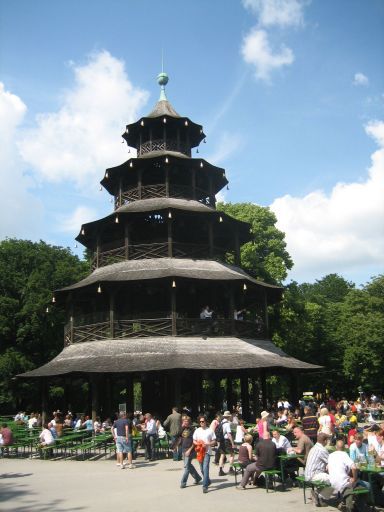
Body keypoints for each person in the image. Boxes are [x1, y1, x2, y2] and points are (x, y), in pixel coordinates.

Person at [328, 439, 369, 512]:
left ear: (336, 447)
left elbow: (327, 467)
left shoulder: (330, 455)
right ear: (344, 447)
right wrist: (354, 478)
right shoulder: (344, 454)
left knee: (353, 483)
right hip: (342, 483)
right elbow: (354, 467)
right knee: (367, 485)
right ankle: (361, 507)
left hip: (332, 481)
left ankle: (346, 502)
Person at [193, 415, 216, 494]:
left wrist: (208, 444)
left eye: (203, 421)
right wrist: (198, 443)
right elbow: (194, 440)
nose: (201, 423)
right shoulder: (197, 430)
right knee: (202, 469)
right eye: (200, 421)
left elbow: (214, 441)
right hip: (199, 452)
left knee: (205, 468)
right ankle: (208, 480)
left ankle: (205, 486)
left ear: (206, 421)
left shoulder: (210, 430)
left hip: (207, 452)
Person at [180, 416, 202, 488]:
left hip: (190, 450)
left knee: (186, 466)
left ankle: (183, 482)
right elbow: (179, 437)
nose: (185, 422)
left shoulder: (192, 430)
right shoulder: (183, 429)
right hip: (183, 449)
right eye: (183, 421)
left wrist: (189, 450)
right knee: (189, 465)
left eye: (186, 421)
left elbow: (194, 441)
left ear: (189, 422)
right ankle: (198, 478)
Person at [218, 411, 235, 476]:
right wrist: (232, 443)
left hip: (221, 440)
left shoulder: (221, 422)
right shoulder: (227, 424)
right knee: (232, 454)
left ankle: (220, 470)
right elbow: (229, 434)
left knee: (222, 455)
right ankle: (231, 469)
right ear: (229, 416)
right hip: (226, 441)